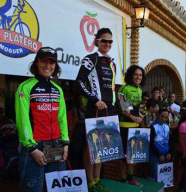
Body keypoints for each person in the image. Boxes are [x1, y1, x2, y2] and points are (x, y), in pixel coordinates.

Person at [15, 47, 69, 192]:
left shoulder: (57, 89)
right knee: (34, 188)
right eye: (44, 61)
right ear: (37, 62)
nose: (48, 66)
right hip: (35, 146)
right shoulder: (25, 87)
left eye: (52, 63)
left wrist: (65, 143)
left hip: (56, 145)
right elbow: (22, 120)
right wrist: (31, 148)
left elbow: (62, 118)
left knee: (56, 189)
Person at [76, 28, 116, 192]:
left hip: (110, 110)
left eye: (110, 42)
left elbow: (111, 88)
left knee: (103, 146)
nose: (107, 44)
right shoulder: (91, 58)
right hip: (96, 110)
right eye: (104, 41)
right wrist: (94, 100)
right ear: (96, 42)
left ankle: (98, 179)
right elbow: (79, 81)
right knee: (91, 146)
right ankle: (90, 181)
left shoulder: (111, 62)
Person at [117, 65, 146, 186]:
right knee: (124, 155)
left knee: (132, 154)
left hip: (135, 126)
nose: (138, 77)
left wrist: (141, 115)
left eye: (140, 75)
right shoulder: (124, 89)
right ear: (130, 75)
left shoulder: (139, 90)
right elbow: (124, 109)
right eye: (135, 74)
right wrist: (134, 117)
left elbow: (134, 108)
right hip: (124, 125)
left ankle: (131, 177)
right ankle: (123, 179)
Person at [149, 109, 172, 180]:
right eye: (162, 116)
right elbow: (151, 144)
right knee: (154, 177)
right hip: (155, 156)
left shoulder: (167, 126)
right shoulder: (153, 126)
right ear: (158, 115)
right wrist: (159, 155)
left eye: (166, 117)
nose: (164, 119)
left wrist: (169, 153)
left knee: (163, 178)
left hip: (165, 156)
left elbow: (169, 141)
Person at [176, 110, 186, 190]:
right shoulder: (183, 125)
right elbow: (181, 139)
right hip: (182, 151)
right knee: (183, 170)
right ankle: (179, 187)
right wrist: (184, 152)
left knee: (185, 170)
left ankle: (182, 186)